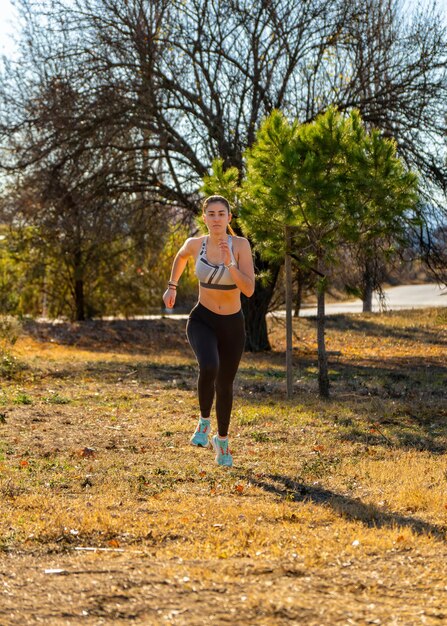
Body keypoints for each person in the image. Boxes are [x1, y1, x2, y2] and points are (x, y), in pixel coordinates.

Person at [162, 195, 255, 467]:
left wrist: (230, 264)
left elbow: (248, 289)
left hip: (232, 325)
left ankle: (222, 442)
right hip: (202, 319)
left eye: (221, 214)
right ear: (204, 218)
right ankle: (203, 423)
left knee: (225, 385)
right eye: (211, 214)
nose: (216, 219)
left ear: (229, 217)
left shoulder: (240, 246)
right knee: (209, 365)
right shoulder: (196, 244)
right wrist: (172, 286)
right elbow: (180, 257)